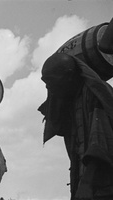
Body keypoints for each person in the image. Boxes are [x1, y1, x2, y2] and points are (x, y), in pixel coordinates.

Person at [38, 53, 113, 200]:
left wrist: (86, 185)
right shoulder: (71, 100)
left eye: (51, 80)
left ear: (69, 76)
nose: (48, 86)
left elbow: (100, 144)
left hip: (104, 189)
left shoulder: (95, 95)